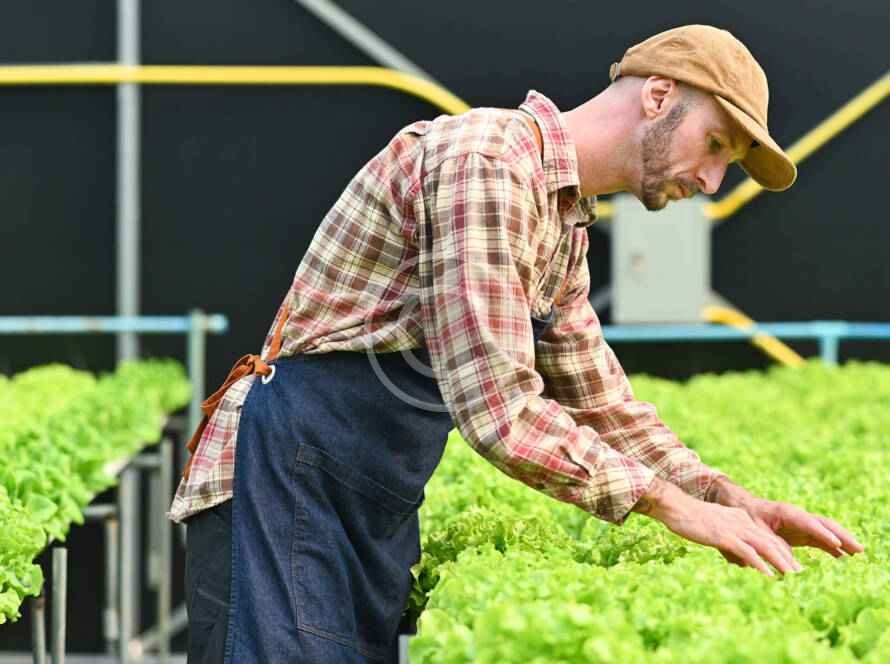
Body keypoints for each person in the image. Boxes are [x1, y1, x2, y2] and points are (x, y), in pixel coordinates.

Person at [167, 24, 864, 664]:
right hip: (281, 487)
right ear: (658, 96)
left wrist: (729, 498)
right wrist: (672, 507)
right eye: (714, 145)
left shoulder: (562, 225)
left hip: (359, 502)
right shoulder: (487, 164)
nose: (711, 182)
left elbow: (604, 409)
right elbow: (498, 410)